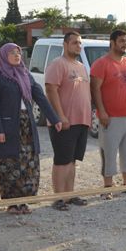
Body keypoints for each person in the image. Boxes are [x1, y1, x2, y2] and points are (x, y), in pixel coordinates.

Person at [0, 43, 61, 214]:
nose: (16, 55)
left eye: (18, 53)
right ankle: (12, 204)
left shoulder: (26, 75)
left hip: (27, 125)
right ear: (4, 56)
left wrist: (54, 118)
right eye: (12, 53)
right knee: (10, 163)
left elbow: (40, 98)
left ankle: (25, 201)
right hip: (8, 127)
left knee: (28, 163)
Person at [90, 30, 126, 199]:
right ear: (112, 43)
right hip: (110, 117)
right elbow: (95, 89)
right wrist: (102, 112)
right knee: (109, 151)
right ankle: (108, 185)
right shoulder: (101, 64)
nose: (124, 44)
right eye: (121, 41)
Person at [44, 31, 91, 210]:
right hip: (64, 121)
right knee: (62, 160)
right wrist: (60, 116)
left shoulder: (81, 66)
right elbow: (51, 90)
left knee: (72, 160)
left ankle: (69, 195)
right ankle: (59, 198)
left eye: (80, 43)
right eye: (74, 43)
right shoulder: (58, 64)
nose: (78, 46)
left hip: (81, 120)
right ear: (65, 44)